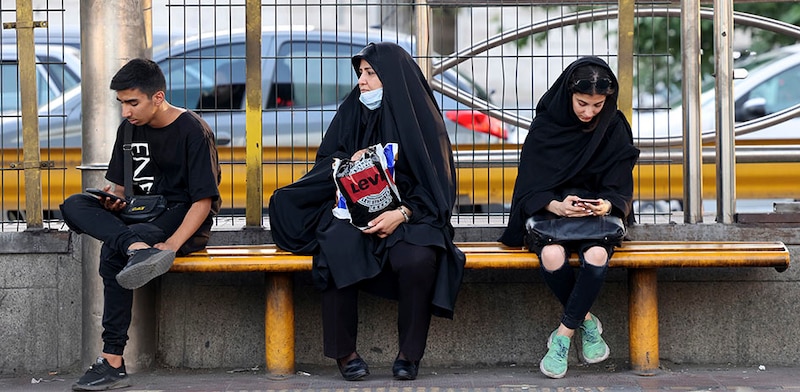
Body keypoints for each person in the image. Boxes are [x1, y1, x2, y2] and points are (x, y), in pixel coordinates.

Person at [269, 42, 465, 381]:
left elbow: (436, 187)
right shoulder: (351, 111)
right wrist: (348, 166)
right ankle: (345, 353)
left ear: (392, 78)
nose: (362, 81)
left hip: (409, 215)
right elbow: (326, 162)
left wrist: (401, 213)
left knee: (418, 258)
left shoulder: (421, 120)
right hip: (354, 212)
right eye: (361, 73)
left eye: (371, 74)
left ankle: (409, 354)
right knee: (337, 246)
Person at [60, 58, 221, 391]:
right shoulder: (129, 130)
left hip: (182, 219)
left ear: (158, 98)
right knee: (74, 204)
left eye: (132, 103)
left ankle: (112, 361)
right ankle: (135, 248)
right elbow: (120, 189)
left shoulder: (193, 130)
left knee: (112, 252)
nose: (125, 112)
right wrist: (111, 201)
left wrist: (171, 246)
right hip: (138, 217)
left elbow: (203, 202)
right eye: (121, 103)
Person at [499, 56, 640, 379]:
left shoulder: (614, 125)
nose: (589, 112)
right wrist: (556, 204)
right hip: (553, 217)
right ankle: (587, 322)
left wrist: (607, 204)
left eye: (597, 104)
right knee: (551, 255)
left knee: (596, 254)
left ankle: (563, 335)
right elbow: (529, 186)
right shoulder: (546, 126)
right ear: (568, 95)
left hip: (596, 218)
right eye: (582, 103)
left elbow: (620, 182)